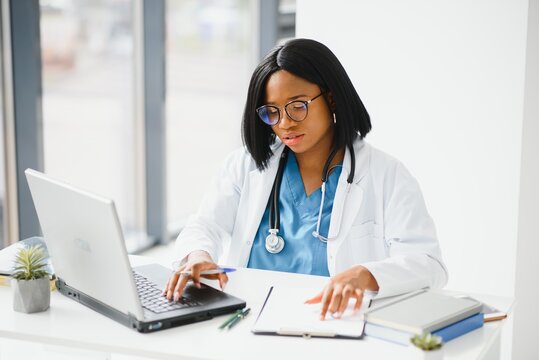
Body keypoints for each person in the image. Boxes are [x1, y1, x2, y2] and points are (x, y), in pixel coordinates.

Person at [164, 38, 447, 320]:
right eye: (271, 112)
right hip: (249, 322)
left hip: (333, 327)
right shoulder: (245, 166)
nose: (285, 123)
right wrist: (198, 255)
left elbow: (429, 264)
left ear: (332, 97)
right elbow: (204, 225)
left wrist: (365, 275)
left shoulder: (386, 175)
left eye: (297, 106)